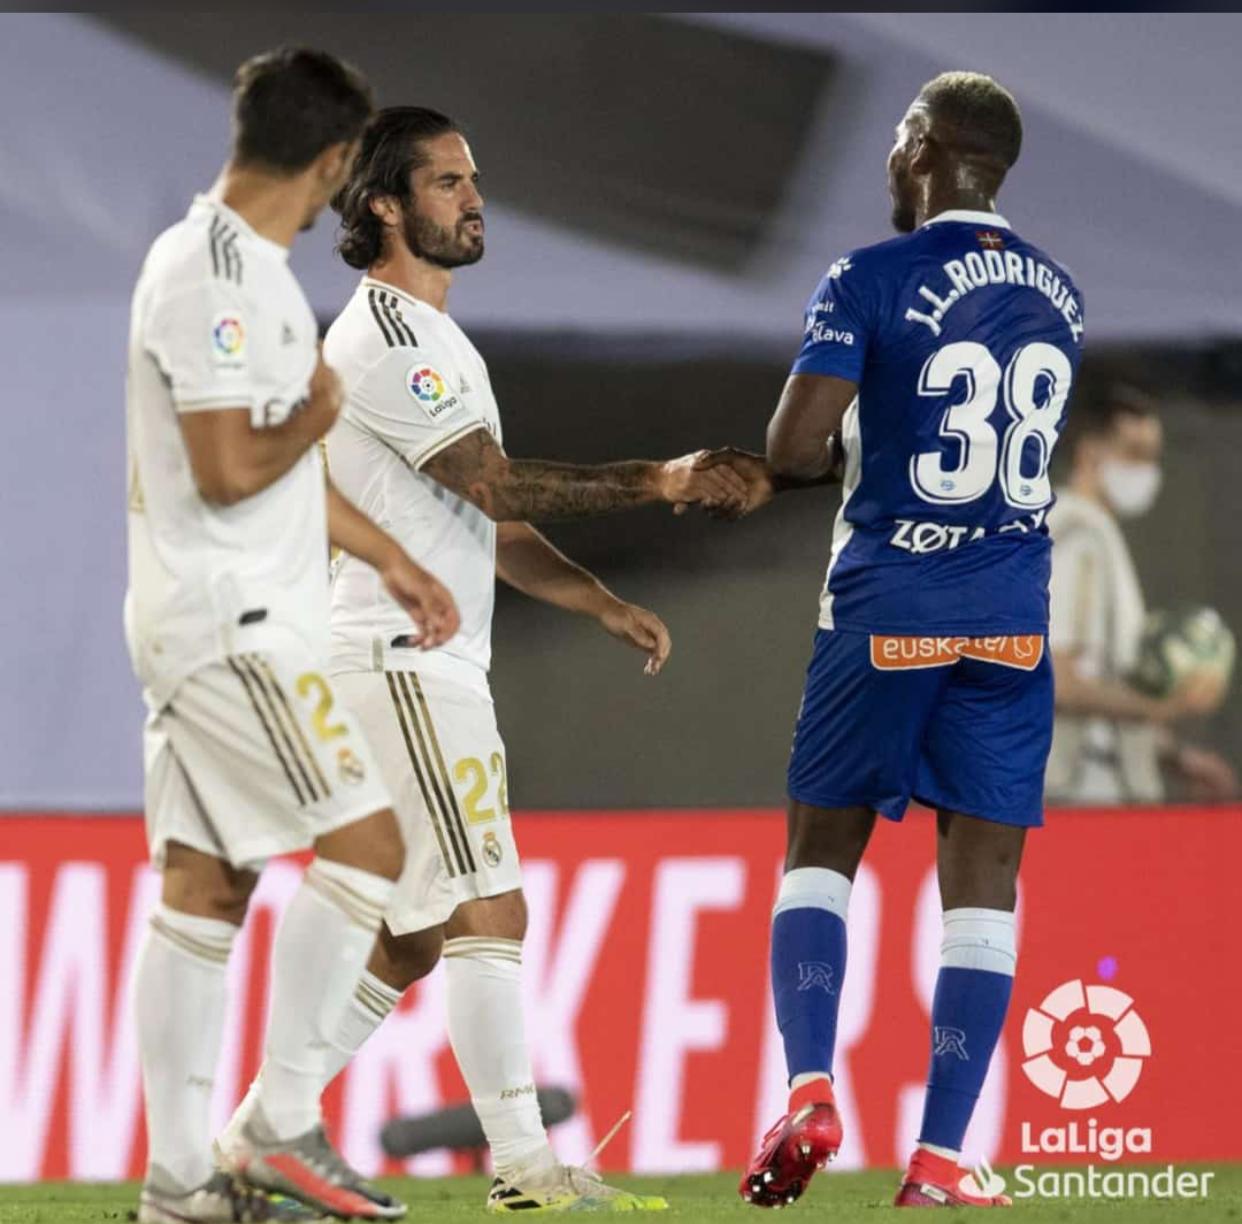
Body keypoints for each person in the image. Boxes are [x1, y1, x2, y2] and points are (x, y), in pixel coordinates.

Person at [216, 106, 747, 1214]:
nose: (475, 199)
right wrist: (655, 479)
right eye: (448, 182)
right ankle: (525, 1168)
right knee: (488, 912)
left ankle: (257, 1136)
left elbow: (484, 523)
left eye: (473, 180)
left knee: (411, 937)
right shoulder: (388, 339)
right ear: (384, 206)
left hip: (415, 662)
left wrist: (595, 599)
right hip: (403, 659)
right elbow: (493, 485)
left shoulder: (438, 341)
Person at [717, 71, 1080, 1209]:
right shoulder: (1062, 295)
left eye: (893, 140)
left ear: (922, 146)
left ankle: (811, 1088)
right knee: (983, 890)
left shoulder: (866, 278)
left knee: (820, 853)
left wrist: (822, 455)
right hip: (1010, 622)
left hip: (888, 613)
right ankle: (940, 1157)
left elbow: (793, 448)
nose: (886, 158)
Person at [126, 50, 459, 1223]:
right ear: (330, 160)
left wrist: (389, 558)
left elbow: (267, 470)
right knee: (369, 848)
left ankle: (180, 1188)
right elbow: (231, 468)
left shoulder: (229, 267)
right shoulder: (218, 276)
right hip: (235, 623)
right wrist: (317, 415)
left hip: (205, 613)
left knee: (204, 893)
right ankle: (277, 1125)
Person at [1046, 385, 1235, 802]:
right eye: (1134, 453)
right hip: (1077, 790)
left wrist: (1177, 755)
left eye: (1153, 456)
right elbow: (1057, 681)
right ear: (1089, 453)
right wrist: (1165, 707)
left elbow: (1103, 678)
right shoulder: (1075, 536)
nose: (1146, 469)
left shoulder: (1098, 534)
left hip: (1102, 783)